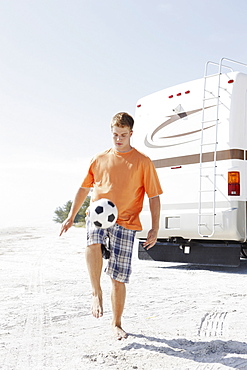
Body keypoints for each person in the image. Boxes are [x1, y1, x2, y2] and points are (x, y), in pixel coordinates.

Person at [60, 112, 162, 340]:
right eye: (115, 134)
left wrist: (154, 228)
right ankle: (96, 292)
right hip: (97, 214)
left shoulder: (143, 162)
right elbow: (83, 189)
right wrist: (70, 216)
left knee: (118, 277)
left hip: (126, 222)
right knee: (93, 241)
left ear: (131, 134)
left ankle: (116, 323)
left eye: (123, 135)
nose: (118, 139)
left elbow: (154, 196)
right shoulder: (98, 159)